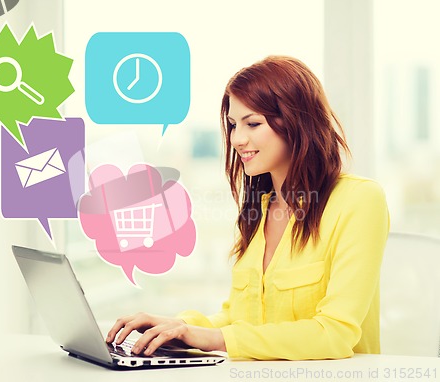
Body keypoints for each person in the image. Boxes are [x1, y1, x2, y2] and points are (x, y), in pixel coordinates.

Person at [106, 55, 390, 360]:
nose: (238, 139)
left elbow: (335, 333)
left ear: (297, 122)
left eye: (253, 123)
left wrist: (211, 337)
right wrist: (179, 327)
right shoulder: (260, 210)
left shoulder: (359, 200)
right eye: (232, 125)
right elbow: (239, 321)